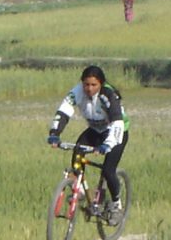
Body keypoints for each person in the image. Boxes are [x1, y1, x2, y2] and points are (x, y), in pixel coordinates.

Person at [47, 65, 130, 223]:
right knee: (77, 156)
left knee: (108, 170)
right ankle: (82, 192)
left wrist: (108, 144)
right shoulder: (77, 92)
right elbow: (63, 111)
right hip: (95, 130)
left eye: (94, 85)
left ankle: (116, 205)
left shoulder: (109, 95)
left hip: (116, 132)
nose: (89, 89)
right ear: (82, 83)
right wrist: (54, 134)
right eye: (86, 84)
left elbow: (117, 123)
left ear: (101, 84)